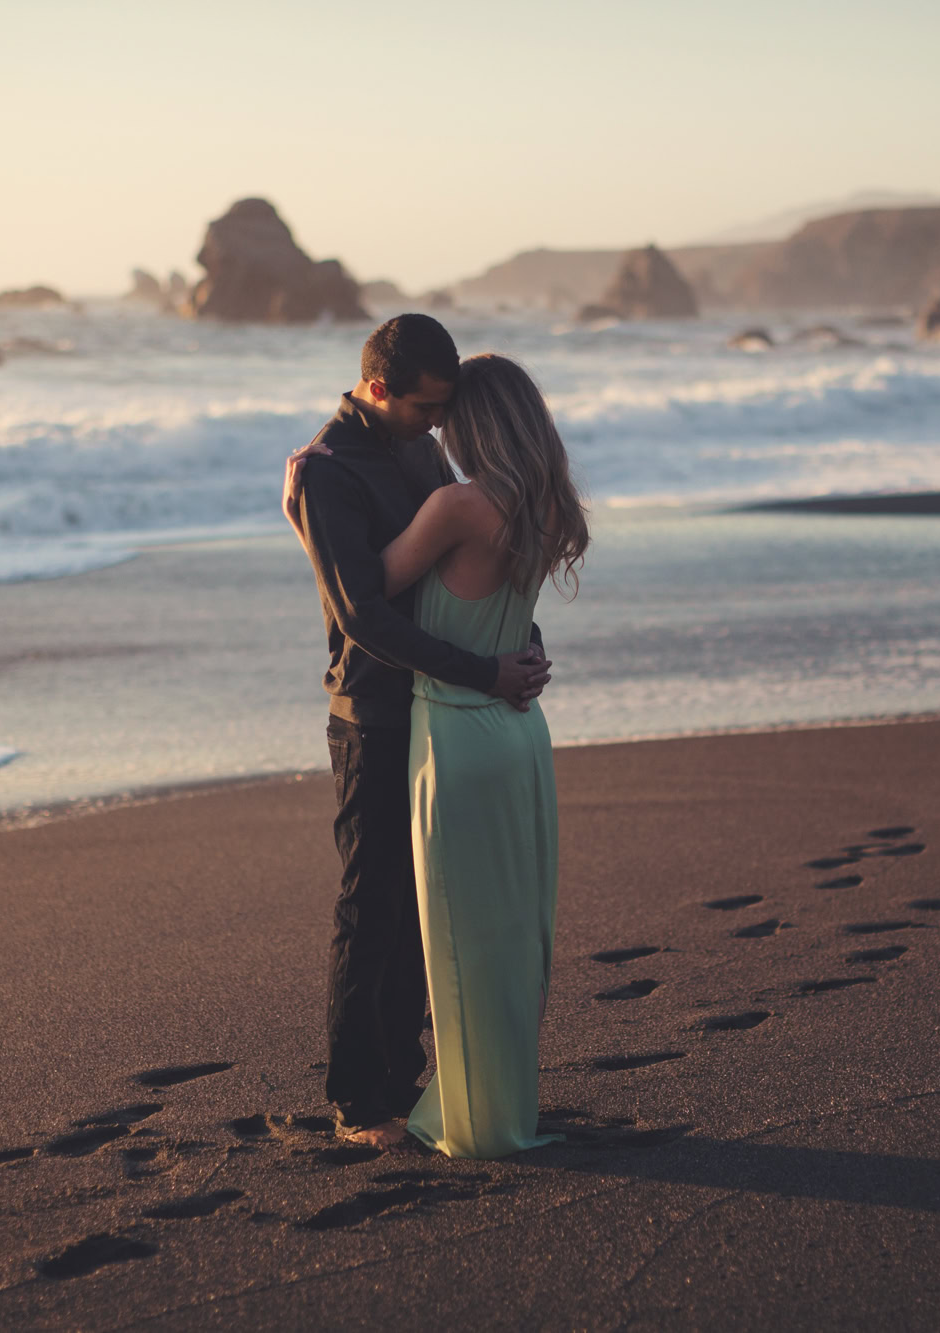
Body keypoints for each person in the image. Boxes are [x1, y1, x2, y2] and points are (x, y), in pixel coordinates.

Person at [289, 352, 588, 1158]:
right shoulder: (543, 500)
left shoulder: (451, 492)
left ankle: (404, 1092)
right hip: (496, 727)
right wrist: (509, 656)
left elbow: (365, 598)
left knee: (429, 920)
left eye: (447, 415)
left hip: (454, 723)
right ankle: (428, 1087)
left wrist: (296, 518)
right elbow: (490, 604)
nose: (437, 428)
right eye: (429, 411)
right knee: (469, 922)